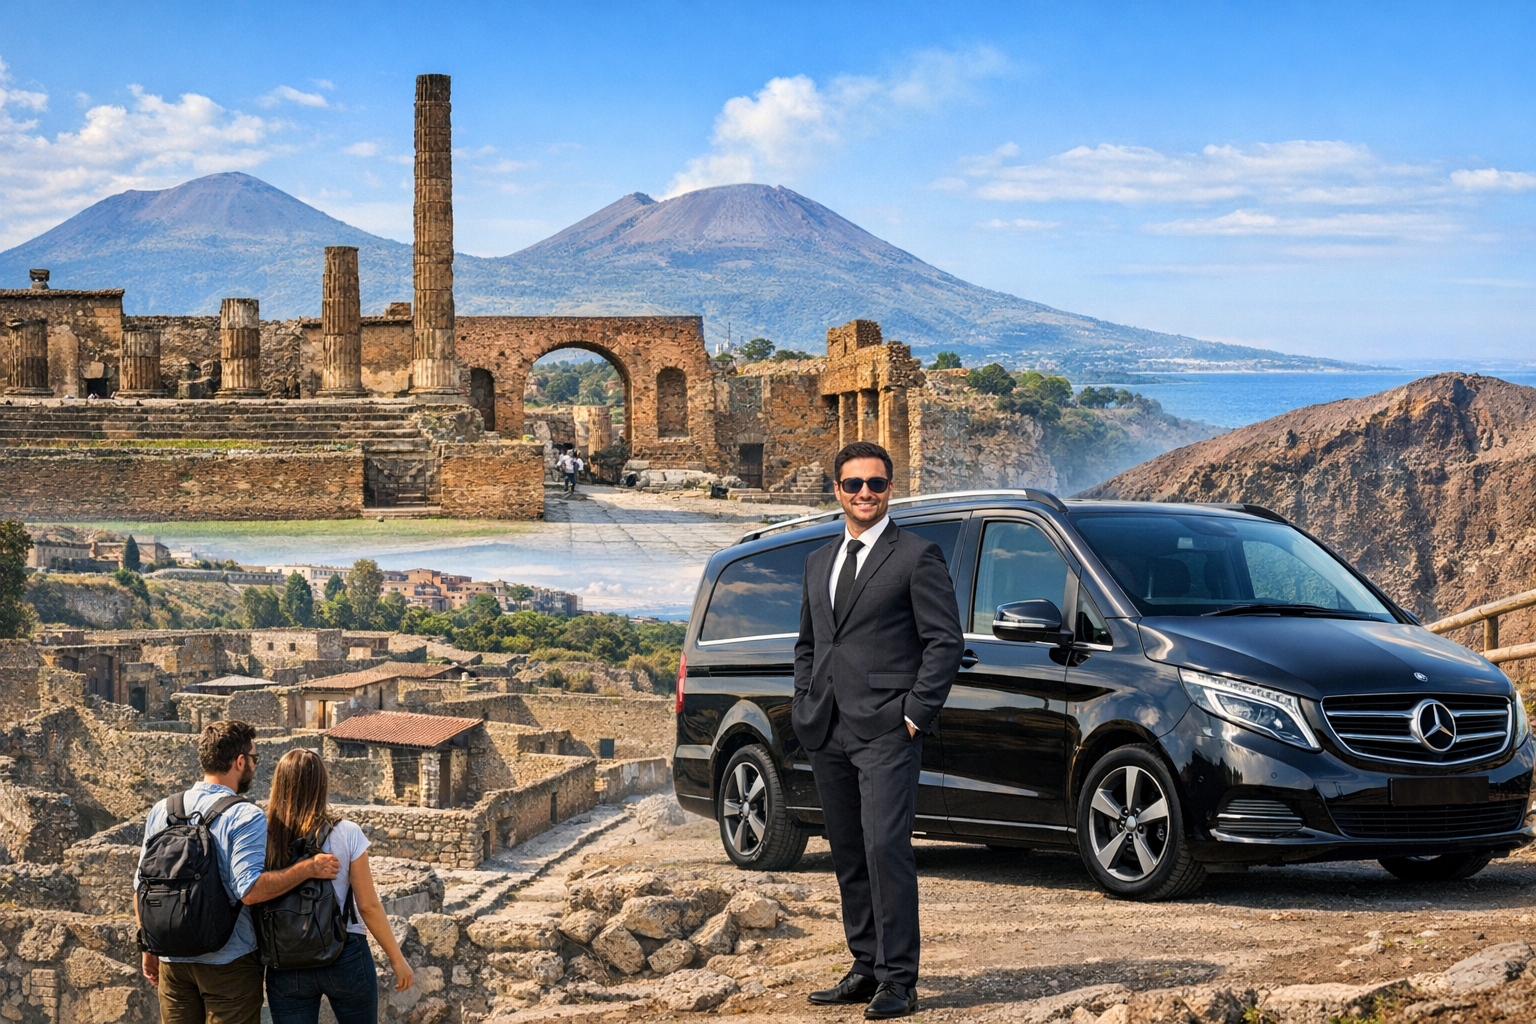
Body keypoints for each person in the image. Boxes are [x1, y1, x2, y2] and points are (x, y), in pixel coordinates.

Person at [793, 441, 963, 1020]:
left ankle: (898, 981)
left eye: (876, 483)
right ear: (837, 490)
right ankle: (865, 966)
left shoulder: (917, 555)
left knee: (885, 848)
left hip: (889, 728)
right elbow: (810, 644)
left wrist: (915, 713)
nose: (864, 492)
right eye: (853, 484)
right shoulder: (818, 561)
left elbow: (945, 642)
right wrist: (804, 702)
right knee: (848, 852)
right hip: (826, 727)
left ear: (891, 488)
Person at [138, 721, 342, 1024]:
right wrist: (307, 868)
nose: (254, 766)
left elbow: (141, 886)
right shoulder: (243, 814)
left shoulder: (163, 809)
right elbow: (250, 891)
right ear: (240, 761)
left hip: (172, 959)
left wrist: (148, 946)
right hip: (229, 961)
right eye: (254, 759)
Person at [263, 749, 413, 1024]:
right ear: (321, 784)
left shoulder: (264, 834)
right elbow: (367, 906)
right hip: (345, 950)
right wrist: (397, 958)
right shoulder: (347, 832)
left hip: (286, 958)